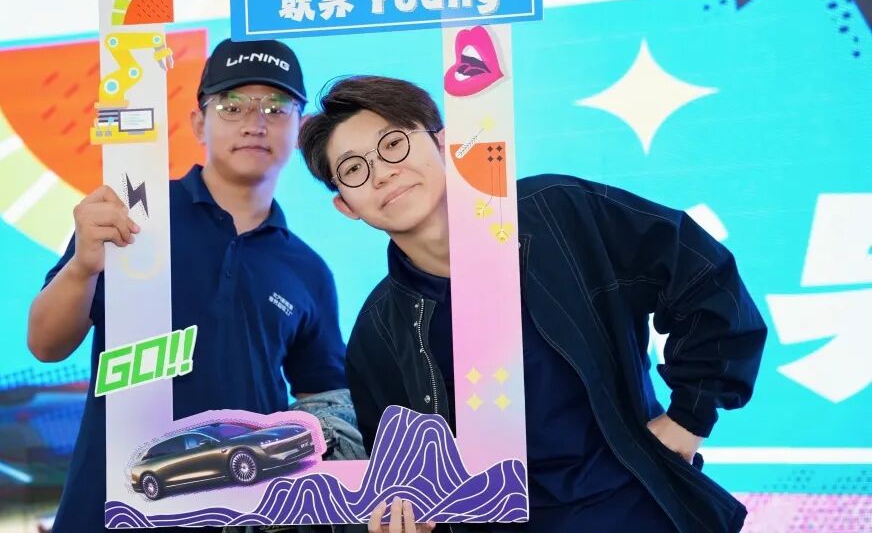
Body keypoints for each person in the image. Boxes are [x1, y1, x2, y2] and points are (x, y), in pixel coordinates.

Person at [297, 76, 768, 533]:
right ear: (346, 206)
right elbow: (406, 480)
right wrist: (412, 519)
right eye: (353, 169)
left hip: (638, 513)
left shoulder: (559, 213)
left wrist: (690, 415)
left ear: (444, 142)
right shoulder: (377, 334)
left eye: (393, 143)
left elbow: (704, 275)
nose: (382, 172)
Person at [27, 39, 350, 532]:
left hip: (242, 514)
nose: (255, 123)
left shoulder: (306, 270)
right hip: (109, 508)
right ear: (199, 123)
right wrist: (82, 268)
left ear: (301, 128)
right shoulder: (132, 216)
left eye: (275, 107)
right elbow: (45, 344)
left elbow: (325, 405)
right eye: (232, 106)